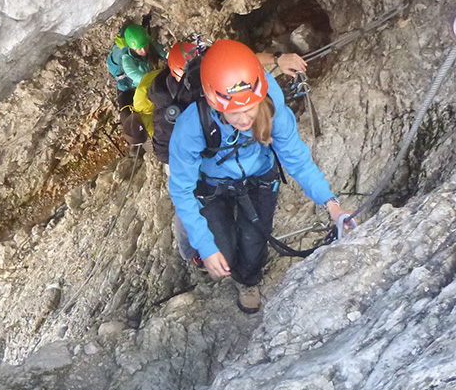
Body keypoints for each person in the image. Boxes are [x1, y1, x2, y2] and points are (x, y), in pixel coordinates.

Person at [167, 40, 349, 313]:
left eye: (250, 108)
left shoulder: (270, 101)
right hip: (212, 185)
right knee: (222, 253)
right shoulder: (191, 126)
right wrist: (206, 247)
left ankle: (249, 282)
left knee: (254, 245)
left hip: (259, 177)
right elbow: (182, 190)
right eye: (234, 112)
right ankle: (205, 241)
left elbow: (297, 159)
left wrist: (332, 205)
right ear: (215, 104)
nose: (244, 119)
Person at [152, 40, 311, 266]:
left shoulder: (213, 67)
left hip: (224, 160)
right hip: (187, 157)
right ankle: (191, 252)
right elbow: (167, 150)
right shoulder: (169, 106)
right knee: (187, 201)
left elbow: (244, 63)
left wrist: (277, 59)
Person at [106, 23, 163, 146]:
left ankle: (144, 139)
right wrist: (159, 75)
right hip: (128, 90)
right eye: (140, 49)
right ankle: (136, 142)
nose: (144, 51)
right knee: (128, 122)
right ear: (132, 48)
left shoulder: (149, 47)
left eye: (145, 46)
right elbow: (138, 76)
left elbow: (163, 51)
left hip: (142, 86)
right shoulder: (126, 59)